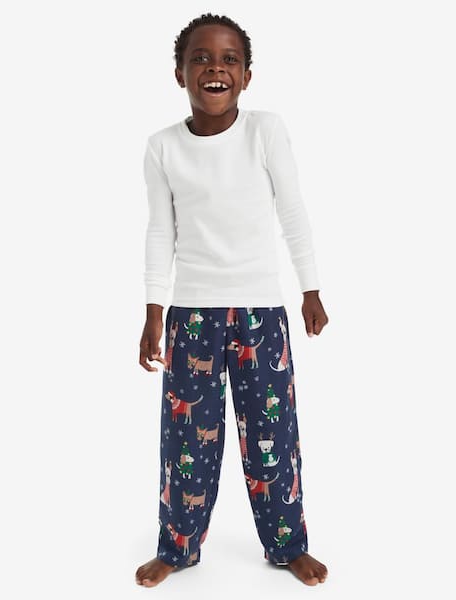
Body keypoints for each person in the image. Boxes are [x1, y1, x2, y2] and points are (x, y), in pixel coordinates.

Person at [136, 13, 329, 587]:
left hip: (260, 313)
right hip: (191, 314)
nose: (214, 68)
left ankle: (287, 544)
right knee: (186, 439)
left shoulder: (265, 131)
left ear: (246, 75)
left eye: (228, 60)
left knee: (272, 436)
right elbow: (160, 232)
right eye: (200, 58)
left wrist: (310, 289)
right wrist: (153, 313)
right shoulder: (162, 147)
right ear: (180, 74)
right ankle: (178, 546)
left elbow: (292, 211)